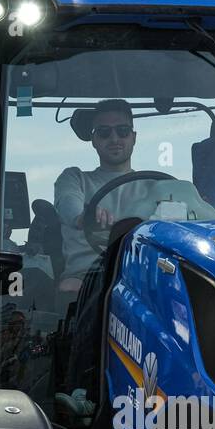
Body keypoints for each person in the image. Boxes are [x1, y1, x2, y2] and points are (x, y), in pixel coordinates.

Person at [53, 98, 141, 292]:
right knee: (70, 287)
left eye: (122, 131)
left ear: (133, 137)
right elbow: (68, 202)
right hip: (86, 278)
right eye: (104, 132)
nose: (114, 138)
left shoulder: (158, 185)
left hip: (143, 273)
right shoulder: (75, 178)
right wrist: (83, 217)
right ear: (94, 140)